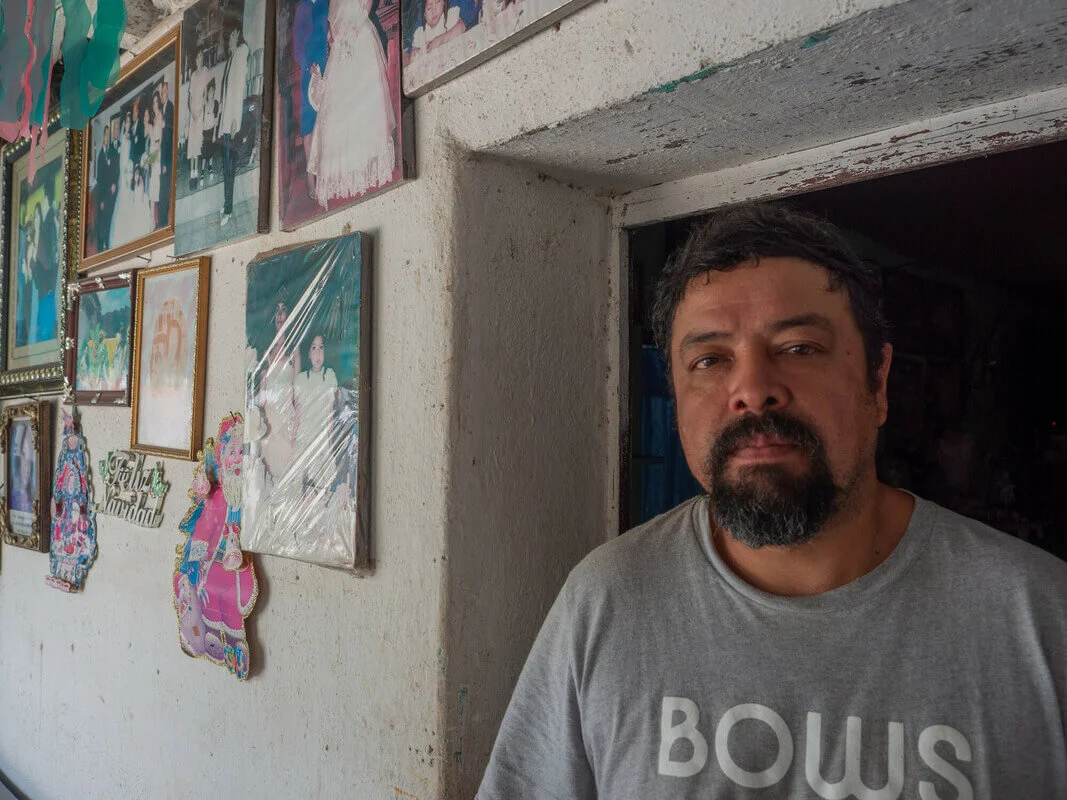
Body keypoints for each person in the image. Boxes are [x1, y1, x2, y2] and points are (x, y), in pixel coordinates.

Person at [478, 204, 1067, 798]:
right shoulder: (606, 602)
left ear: (879, 383)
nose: (754, 390)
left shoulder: (1040, 621)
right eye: (709, 360)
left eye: (799, 347)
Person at [305, 0, 396, 208]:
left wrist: (355, 26)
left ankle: (369, 160)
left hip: (361, 36)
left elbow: (366, 5)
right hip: (342, 50)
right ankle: (347, 168)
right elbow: (333, 25)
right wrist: (336, 37)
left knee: (365, 99)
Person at [293, 334, 338, 492]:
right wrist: (293, 441)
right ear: (309, 354)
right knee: (300, 486)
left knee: (321, 484)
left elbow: (330, 413)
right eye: (314, 348)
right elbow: (297, 414)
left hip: (321, 439)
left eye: (321, 348)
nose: (318, 353)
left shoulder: (330, 376)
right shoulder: (300, 380)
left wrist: (330, 445)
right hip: (304, 438)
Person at [293, 0, 330, 191]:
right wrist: (308, 66)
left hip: (327, 65)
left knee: (325, 120)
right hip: (308, 72)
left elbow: (331, 31)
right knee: (309, 126)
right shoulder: (301, 9)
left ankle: (324, 173)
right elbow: (297, 48)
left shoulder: (326, 3)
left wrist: (326, 60)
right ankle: (310, 178)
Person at [218, 28, 249, 227]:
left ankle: (228, 210)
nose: (228, 40)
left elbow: (239, 88)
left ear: (236, 34)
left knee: (230, 166)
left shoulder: (242, 51)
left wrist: (236, 118)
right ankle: (226, 203)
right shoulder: (231, 58)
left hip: (233, 120)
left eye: (230, 36)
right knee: (226, 166)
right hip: (226, 121)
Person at [187, 51, 209, 183]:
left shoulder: (205, 71)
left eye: (201, 56)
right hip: (193, 112)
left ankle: (197, 174)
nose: (199, 59)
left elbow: (205, 93)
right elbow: (189, 98)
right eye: (197, 57)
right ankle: (192, 176)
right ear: (195, 60)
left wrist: (199, 111)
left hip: (200, 111)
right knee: (192, 144)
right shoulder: (193, 75)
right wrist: (192, 111)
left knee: (197, 143)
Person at [157, 80, 174, 226]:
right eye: (161, 93)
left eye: (164, 92)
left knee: (165, 189)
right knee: (161, 189)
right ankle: (161, 220)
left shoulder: (170, 108)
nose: (163, 95)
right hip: (162, 157)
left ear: (167, 92)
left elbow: (168, 138)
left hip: (167, 158)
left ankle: (163, 222)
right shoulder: (162, 109)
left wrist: (164, 163)